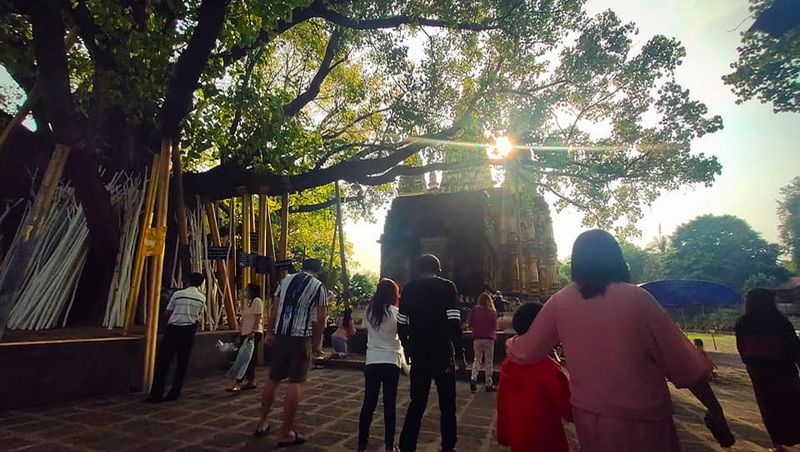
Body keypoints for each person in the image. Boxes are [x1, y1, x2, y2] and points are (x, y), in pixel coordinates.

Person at [506, 229, 735, 450]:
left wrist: (508, 340)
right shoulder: (638, 298)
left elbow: (525, 351)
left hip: (591, 420)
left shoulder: (560, 301)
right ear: (616, 259)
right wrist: (715, 408)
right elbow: (683, 365)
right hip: (643, 418)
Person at [255, 258, 328, 448]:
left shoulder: (284, 281)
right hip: (300, 336)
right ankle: (285, 432)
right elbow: (321, 319)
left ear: (303, 268)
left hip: (280, 335)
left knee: (273, 378)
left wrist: (269, 333)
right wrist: (316, 343)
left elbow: (274, 310)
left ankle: (262, 422)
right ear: (317, 271)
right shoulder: (318, 287)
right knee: (295, 382)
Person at [398, 254, 465, 452]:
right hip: (443, 354)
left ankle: (407, 445)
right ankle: (448, 446)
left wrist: (407, 348)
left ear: (418, 269)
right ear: (439, 269)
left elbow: (402, 323)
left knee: (417, 402)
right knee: (447, 405)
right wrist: (460, 354)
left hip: (419, 354)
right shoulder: (447, 287)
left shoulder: (409, 289)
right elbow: (454, 322)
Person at [497, 302, 572, 452]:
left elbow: (502, 403)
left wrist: (504, 434)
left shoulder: (509, 363)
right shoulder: (547, 368)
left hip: (520, 440)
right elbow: (569, 410)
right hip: (548, 442)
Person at [735, 288, 800, 451]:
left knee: (769, 408)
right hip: (784, 373)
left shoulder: (743, 323)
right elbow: (793, 347)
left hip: (760, 375)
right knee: (793, 406)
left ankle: (777, 444)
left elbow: (742, 350)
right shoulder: (780, 321)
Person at [357, 279, 403, 452]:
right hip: (391, 360)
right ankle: (389, 446)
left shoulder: (369, 312)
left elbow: (366, 331)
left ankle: (362, 444)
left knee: (368, 403)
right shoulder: (396, 313)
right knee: (390, 405)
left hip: (373, 360)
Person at [146, 272, 206, 403]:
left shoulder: (178, 294)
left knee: (163, 362)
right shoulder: (202, 298)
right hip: (189, 331)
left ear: (188, 281)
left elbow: (168, 312)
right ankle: (175, 392)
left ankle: (156, 394)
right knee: (182, 363)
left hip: (174, 329)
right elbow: (198, 315)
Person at [228, 283, 264, 392]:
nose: (245, 292)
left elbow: (258, 317)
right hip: (245, 332)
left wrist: (252, 331)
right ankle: (250, 380)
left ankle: (239, 382)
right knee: (246, 358)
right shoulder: (248, 303)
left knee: (245, 358)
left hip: (253, 332)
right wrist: (240, 335)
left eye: (247, 290)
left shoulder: (257, 301)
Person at [466, 292, 499, 392]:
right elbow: (495, 326)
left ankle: (473, 378)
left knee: (477, 360)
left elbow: (469, 323)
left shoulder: (475, 310)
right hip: (489, 339)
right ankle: (488, 383)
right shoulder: (492, 312)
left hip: (477, 338)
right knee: (489, 361)